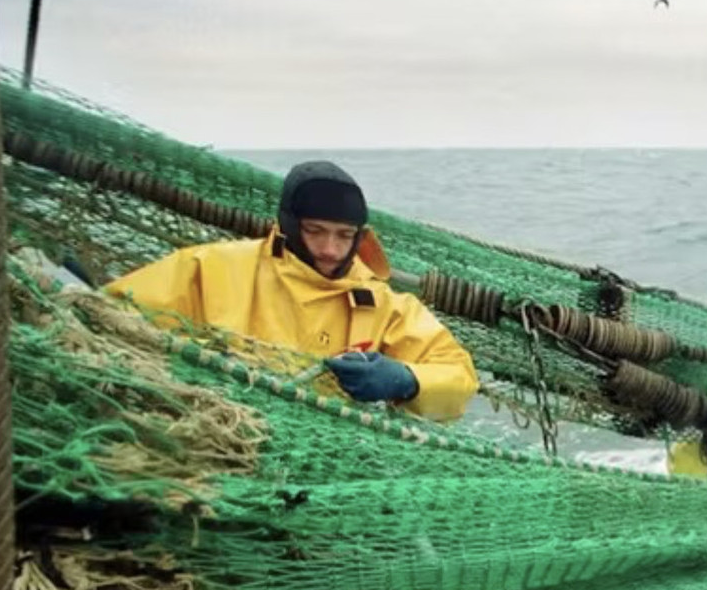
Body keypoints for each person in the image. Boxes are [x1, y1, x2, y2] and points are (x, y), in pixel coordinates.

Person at [106, 161, 478, 420]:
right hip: (215, 437)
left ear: (361, 237)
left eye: (345, 235)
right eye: (315, 231)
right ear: (287, 223)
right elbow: (106, 316)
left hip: (325, 461)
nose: (331, 249)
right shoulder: (209, 267)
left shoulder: (382, 302)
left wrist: (406, 380)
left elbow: (459, 377)